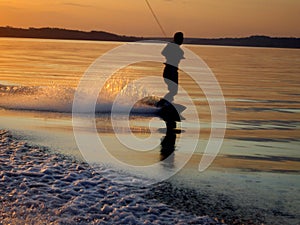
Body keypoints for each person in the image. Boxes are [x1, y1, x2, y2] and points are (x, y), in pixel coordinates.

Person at [157, 32, 184, 106]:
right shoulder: (172, 46)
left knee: (173, 91)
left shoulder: (178, 49)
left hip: (172, 71)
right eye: (181, 39)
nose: (182, 40)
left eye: (182, 39)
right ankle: (161, 103)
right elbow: (163, 52)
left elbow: (165, 53)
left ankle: (166, 102)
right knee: (173, 91)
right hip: (170, 71)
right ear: (177, 39)